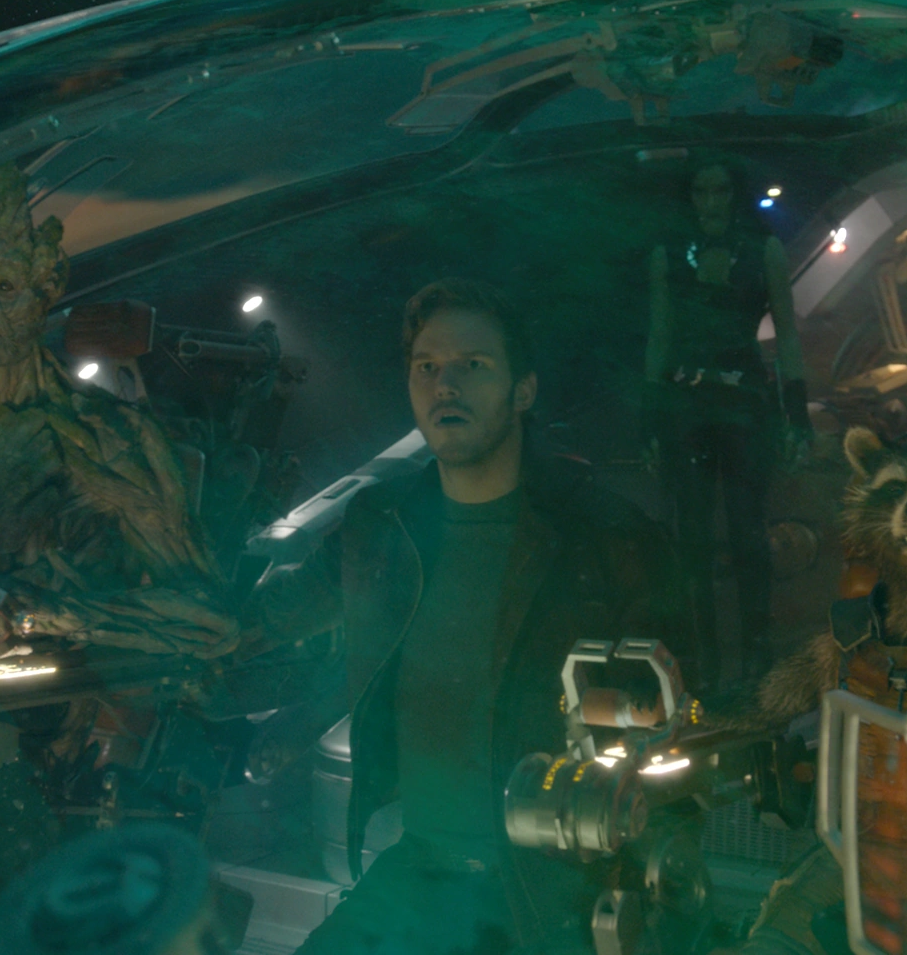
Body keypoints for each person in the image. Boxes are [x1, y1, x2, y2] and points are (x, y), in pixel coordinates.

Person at [244, 278, 677, 955]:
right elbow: (263, 619)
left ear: (523, 391)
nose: (445, 385)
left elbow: (683, 723)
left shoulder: (601, 536)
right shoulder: (380, 525)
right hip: (420, 870)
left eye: (473, 365)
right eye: (427, 367)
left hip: (548, 893)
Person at [645, 160, 811, 686]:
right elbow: (660, 333)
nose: (711, 201)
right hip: (688, 407)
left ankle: (756, 657)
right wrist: (651, 417)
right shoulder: (669, 253)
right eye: (702, 190)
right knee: (691, 535)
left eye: (720, 190)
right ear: (690, 196)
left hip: (744, 404)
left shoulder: (762, 249)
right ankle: (704, 664)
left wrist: (796, 410)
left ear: (734, 194)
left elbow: (786, 332)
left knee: (747, 532)